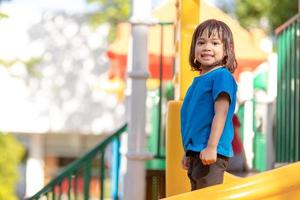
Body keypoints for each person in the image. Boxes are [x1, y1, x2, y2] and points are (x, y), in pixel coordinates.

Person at [180, 19, 238, 190]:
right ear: (194, 48)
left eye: (215, 43)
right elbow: (195, 120)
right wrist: (189, 152)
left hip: (211, 152)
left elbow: (221, 113)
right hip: (198, 152)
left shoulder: (221, 76)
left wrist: (212, 146)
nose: (207, 47)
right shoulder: (197, 82)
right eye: (201, 42)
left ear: (227, 51)